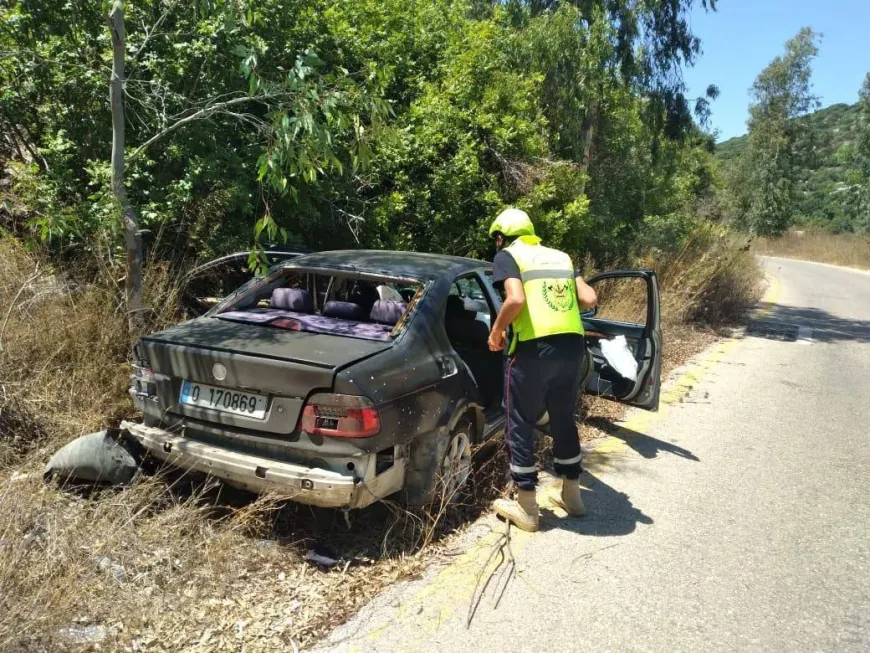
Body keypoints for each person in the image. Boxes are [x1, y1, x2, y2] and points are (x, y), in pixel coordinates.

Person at [488, 208, 597, 532]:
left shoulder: (508, 255)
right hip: (572, 348)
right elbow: (589, 298)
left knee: (519, 419)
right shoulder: (561, 256)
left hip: (534, 350)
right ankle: (572, 496)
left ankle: (527, 508)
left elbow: (516, 300)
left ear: (500, 237)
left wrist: (496, 332)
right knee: (562, 416)